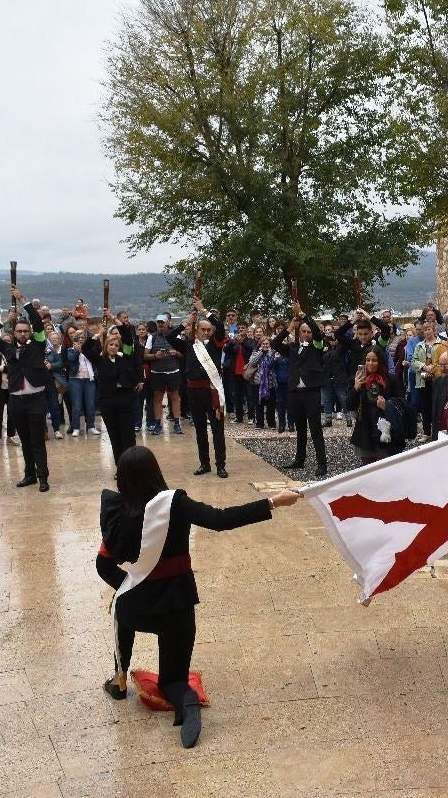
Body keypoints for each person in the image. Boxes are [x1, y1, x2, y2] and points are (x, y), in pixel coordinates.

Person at [96, 446, 301, 747]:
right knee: (173, 681)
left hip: (137, 609)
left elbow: (103, 566)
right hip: (176, 606)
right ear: (156, 472)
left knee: (121, 602)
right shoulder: (175, 503)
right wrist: (273, 502)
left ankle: (119, 677)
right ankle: (186, 702)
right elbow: (220, 520)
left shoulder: (117, 514)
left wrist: (131, 585)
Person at [0, 288, 53, 491]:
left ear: (30, 332)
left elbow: (37, 321)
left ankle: (43, 477)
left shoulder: (38, 344)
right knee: (25, 441)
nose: (22, 334)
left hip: (36, 399)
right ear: (13, 333)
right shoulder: (7, 348)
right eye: (19, 331)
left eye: (25, 331)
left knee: (37, 441)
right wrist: (6, 319)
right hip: (16, 400)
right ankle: (29, 474)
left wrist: (22, 300)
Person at [169, 299, 229, 478]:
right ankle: (205, 463)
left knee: (218, 430)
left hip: (213, 392)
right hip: (194, 393)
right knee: (200, 429)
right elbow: (170, 337)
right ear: (197, 330)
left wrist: (203, 310)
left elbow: (219, 325)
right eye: (203, 329)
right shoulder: (188, 345)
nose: (207, 332)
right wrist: (186, 322)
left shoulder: (216, 344)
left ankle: (221, 464)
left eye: (209, 329)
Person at [273, 303, 328, 477]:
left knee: (315, 429)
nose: (306, 334)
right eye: (303, 331)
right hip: (294, 392)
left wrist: (302, 314)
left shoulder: (317, 346)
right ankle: (300, 459)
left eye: (308, 332)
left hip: (311, 392)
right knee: (300, 428)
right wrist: (288, 329)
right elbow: (274, 343)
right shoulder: (292, 348)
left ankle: (321, 463)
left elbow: (316, 331)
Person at [83, 314, 143, 468]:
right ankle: (120, 467)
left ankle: (132, 467)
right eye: (111, 345)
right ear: (106, 346)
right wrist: (98, 334)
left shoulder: (126, 357)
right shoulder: (100, 360)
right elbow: (85, 348)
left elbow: (128, 337)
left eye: (116, 345)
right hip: (108, 403)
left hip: (125, 401)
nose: (113, 347)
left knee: (128, 437)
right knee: (115, 437)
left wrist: (115, 320)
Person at [350, 347, 405, 464]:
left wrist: (387, 406)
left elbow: (402, 404)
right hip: (365, 429)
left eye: (374, 360)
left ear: (381, 361)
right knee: (367, 468)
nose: (370, 363)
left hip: (385, 429)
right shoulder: (359, 379)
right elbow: (349, 405)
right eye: (367, 360)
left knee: (385, 466)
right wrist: (356, 388)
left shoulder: (391, 379)